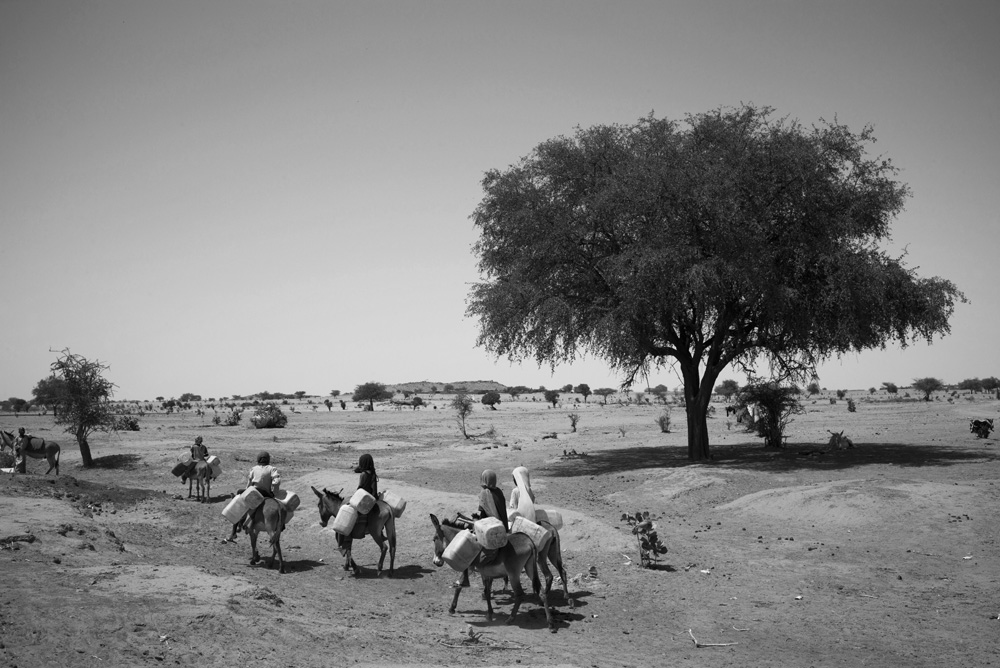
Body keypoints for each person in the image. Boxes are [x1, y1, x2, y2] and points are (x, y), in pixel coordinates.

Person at [226, 451, 281, 541]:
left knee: (239, 504)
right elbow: (277, 481)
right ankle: (280, 525)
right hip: (266, 493)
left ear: (258, 459)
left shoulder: (254, 468)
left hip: (254, 492)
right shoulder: (272, 469)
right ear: (268, 459)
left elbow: (249, 482)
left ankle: (233, 532)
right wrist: (274, 491)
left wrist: (247, 491)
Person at [474, 469, 509, 567]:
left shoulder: (484, 493)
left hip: (493, 526)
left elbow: (482, 513)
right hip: (504, 525)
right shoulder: (498, 491)